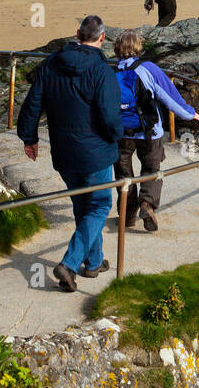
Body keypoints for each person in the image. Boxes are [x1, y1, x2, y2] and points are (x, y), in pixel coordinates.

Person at [17, 15, 123, 292]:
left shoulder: (52, 63)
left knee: (83, 207)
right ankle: (70, 264)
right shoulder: (102, 71)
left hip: (64, 152)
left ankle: (94, 262)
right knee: (99, 206)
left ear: (77, 34)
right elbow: (111, 117)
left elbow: (33, 102)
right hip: (95, 152)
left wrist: (29, 138)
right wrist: (116, 138)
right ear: (102, 38)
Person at [113, 31, 199, 233]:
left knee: (123, 175)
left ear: (117, 49)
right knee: (151, 170)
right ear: (138, 47)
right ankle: (147, 204)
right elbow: (170, 98)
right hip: (149, 131)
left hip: (120, 133)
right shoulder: (148, 69)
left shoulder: (111, 73)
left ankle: (127, 216)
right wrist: (189, 114)